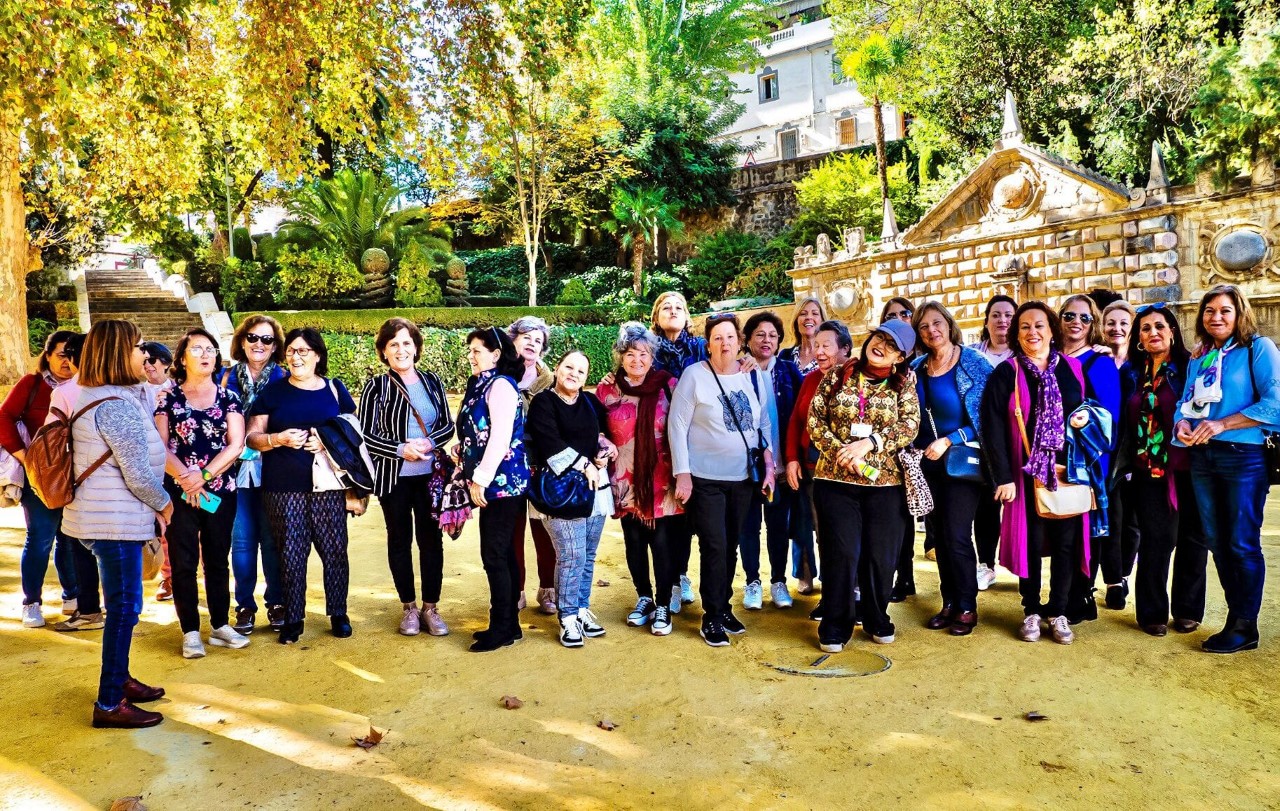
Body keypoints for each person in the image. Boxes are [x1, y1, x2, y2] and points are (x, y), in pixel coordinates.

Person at [60, 320, 172, 728]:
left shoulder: (106, 395)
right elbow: (138, 474)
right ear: (118, 353)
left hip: (102, 517)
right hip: (113, 522)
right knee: (124, 609)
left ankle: (120, 679)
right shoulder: (115, 406)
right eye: (139, 347)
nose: (146, 354)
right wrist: (165, 505)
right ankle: (109, 702)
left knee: (124, 606)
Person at [1174, 285, 1280, 653]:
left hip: (1243, 457)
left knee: (1241, 542)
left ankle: (1245, 625)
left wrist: (1223, 424)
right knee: (1217, 541)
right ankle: (1237, 619)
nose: (1216, 317)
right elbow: (1186, 403)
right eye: (1209, 310)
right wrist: (1181, 424)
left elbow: (1275, 403)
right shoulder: (1201, 356)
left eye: (1225, 310)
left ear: (1239, 314)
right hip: (1203, 457)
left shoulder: (1258, 348)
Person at [982, 302, 1094, 645]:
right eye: (1025, 326)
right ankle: (1031, 608)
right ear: (1017, 334)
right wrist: (1003, 477)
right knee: (1029, 542)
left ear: (1052, 331)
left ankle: (1058, 611)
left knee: (1066, 544)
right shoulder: (1007, 373)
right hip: (1024, 471)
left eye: (1039, 325)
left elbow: (1089, 412)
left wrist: (1084, 421)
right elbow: (992, 427)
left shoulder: (1072, 368)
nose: (1033, 332)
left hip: (1066, 470)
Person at [807, 319, 919, 652]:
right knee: (841, 553)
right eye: (879, 337)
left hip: (885, 483)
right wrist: (842, 453)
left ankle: (876, 617)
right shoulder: (837, 375)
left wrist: (869, 444)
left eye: (892, 345)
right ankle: (835, 624)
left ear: (900, 357)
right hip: (835, 480)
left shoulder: (904, 384)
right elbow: (815, 420)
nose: (881, 346)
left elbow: (909, 425)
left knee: (880, 556)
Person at [669, 313, 775, 647]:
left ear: (740, 341)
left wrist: (769, 465)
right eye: (717, 338)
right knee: (714, 544)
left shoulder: (753, 375)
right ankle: (711, 616)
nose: (724, 343)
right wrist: (682, 473)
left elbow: (763, 424)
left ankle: (724, 606)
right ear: (708, 344)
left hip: (743, 477)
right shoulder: (694, 376)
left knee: (731, 544)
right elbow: (677, 426)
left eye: (730, 337)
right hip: (705, 478)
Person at [245, 328, 357, 644]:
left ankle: (339, 613)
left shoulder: (334, 389)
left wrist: (326, 442)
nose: (296, 357)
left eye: (303, 351)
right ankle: (294, 618)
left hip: (328, 485)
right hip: (282, 486)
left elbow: (352, 430)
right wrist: (276, 439)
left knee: (335, 551)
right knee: (291, 555)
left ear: (317, 355)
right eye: (291, 351)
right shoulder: (273, 392)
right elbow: (251, 437)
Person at [155, 328, 248, 658]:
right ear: (182, 358)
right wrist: (187, 479)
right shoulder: (168, 398)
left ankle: (220, 625)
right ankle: (190, 631)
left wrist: (204, 476)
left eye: (210, 349)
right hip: (179, 491)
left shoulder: (229, 397)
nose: (206, 354)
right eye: (196, 349)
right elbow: (160, 446)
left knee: (218, 559)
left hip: (219, 490)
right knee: (183, 562)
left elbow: (236, 445)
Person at [360, 317, 455, 637]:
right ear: (384, 351)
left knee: (431, 541)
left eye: (406, 343)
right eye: (393, 344)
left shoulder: (432, 381)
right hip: (394, 479)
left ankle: (431, 608)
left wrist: (429, 443)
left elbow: (447, 425)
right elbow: (365, 435)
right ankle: (409, 608)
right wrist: (400, 449)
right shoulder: (376, 386)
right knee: (399, 540)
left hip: (430, 478)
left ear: (416, 348)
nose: (401, 350)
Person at [1116, 304, 1207, 636]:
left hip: (1191, 466)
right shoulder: (1130, 373)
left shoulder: (1190, 366)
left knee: (1193, 538)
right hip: (1147, 470)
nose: (1152, 332)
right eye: (1145, 328)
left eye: (1159, 326)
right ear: (1138, 338)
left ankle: (1187, 610)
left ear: (1172, 331)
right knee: (1156, 540)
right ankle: (1152, 612)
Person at [911, 302, 992, 636]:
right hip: (927, 464)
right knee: (940, 538)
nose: (932, 330)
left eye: (937, 323)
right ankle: (949, 602)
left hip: (962, 462)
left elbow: (988, 417)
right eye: (924, 326)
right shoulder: (916, 368)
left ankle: (967, 606)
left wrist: (950, 439)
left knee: (957, 534)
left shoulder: (974, 362)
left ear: (948, 323)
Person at [597, 324, 683, 636]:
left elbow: (683, 427)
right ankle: (644, 597)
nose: (637, 360)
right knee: (633, 541)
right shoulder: (607, 390)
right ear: (620, 357)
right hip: (624, 478)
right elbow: (595, 429)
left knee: (662, 543)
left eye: (643, 354)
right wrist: (601, 441)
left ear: (652, 356)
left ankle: (663, 603)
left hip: (660, 478)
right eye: (631, 354)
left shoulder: (669, 384)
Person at [527, 351, 617, 647]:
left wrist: (604, 450)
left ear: (586, 377)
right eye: (569, 367)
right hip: (561, 491)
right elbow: (549, 443)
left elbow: (602, 434)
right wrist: (585, 464)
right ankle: (567, 617)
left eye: (581, 371)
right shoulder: (544, 402)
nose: (573, 374)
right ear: (557, 368)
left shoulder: (590, 402)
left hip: (595, 488)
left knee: (587, 554)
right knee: (571, 555)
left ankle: (580, 609)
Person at [456, 327, 531, 652]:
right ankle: (509, 624)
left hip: (502, 483)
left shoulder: (500, 384)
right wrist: (463, 449)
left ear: (496, 354)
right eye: (470, 350)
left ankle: (501, 626)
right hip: (496, 482)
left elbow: (500, 438)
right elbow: (479, 432)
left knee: (494, 554)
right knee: (503, 552)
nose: (471, 356)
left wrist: (480, 479)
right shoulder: (481, 383)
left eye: (477, 350)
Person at [2, 330, 81, 627]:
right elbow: (4, 417)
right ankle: (31, 602)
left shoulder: (87, 385)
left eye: (72, 355)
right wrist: (25, 457)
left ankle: (73, 596)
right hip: (41, 477)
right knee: (40, 538)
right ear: (47, 356)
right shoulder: (32, 384)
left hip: (77, 474)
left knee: (70, 538)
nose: (67, 361)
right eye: (61, 355)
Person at [216, 315, 288, 635]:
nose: (259, 344)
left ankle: (277, 601)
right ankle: (244, 605)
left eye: (267, 339)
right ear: (242, 341)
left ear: (275, 346)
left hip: (274, 469)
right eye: (253, 337)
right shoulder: (224, 377)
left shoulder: (285, 379)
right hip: (234, 471)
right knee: (242, 541)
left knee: (273, 541)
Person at [1058, 294, 1122, 620]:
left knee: (1086, 529)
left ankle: (1082, 595)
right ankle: (1062, 594)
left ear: (1093, 323)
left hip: (1090, 460)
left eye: (1085, 318)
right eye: (1070, 316)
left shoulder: (1101, 362)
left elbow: (1111, 417)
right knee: (1062, 530)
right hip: (1056, 458)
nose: (1076, 323)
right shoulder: (1050, 357)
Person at [785, 320, 853, 613]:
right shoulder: (811, 379)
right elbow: (796, 421)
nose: (819, 351)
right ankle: (831, 596)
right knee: (822, 532)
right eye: (816, 346)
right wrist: (791, 458)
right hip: (813, 469)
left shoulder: (857, 378)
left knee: (845, 535)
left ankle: (853, 593)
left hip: (848, 473)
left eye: (826, 345)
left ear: (845, 349)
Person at [737, 312, 802, 610]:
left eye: (773, 335)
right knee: (748, 526)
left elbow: (802, 415)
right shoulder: (738, 370)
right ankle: (752, 581)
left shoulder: (788, 371)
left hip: (781, 464)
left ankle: (778, 581)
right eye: (760, 335)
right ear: (748, 339)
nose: (767, 340)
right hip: (748, 467)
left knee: (778, 525)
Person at [650, 291, 709, 612]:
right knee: (667, 514)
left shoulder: (701, 347)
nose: (672, 311)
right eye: (666, 307)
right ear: (656, 317)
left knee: (690, 513)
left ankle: (682, 574)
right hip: (659, 440)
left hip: (697, 438)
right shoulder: (647, 349)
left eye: (679, 307)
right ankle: (670, 579)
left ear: (687, 316)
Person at [507, 315, 558, 615]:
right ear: (513, 340)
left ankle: (548, 588)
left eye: (538, 340)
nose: (532, 343)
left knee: (545, 527)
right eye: (526, 336)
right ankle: (516, 589)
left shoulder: (551, 382)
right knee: (512, 528)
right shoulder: (500, 377)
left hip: (543, 464)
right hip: (508, 466)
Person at [970, 295, 1017, 590]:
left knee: (1019, 505)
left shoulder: (1023, 352)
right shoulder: (972, 354)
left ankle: (1023, 564)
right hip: (980, 438)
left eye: (1008, 315)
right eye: (996, 315)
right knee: (986, 506)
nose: (1002, 320)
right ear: (986, 320)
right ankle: (986, 564)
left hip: (1016, 437)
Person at [779, 296, 826, 375]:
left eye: (815, 313)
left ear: (823, 321)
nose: (809, 317)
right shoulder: (785, 356)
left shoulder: (829, 357)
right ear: (796, 322)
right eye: (803, 314)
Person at [1103, 300, 1134, 369]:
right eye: (1111, 323)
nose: (1117, 329)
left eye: (1123, 323)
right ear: (1103, 328)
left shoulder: (1142, 361)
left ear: (1133, 328)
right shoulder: (1094, 360)